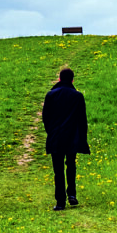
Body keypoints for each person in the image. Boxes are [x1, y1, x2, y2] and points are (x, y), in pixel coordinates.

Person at [40, 66, 89, 211]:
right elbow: (82, 119)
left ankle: (60, 201)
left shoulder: (51, 95)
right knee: (71, 165)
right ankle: (72, 194)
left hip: (56, 136)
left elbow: (45, 117)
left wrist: (51, 132)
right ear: (72, 80)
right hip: (72, 136)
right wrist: (82, 137)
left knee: (58, 170)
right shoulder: (78, 96)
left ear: (59, 79)